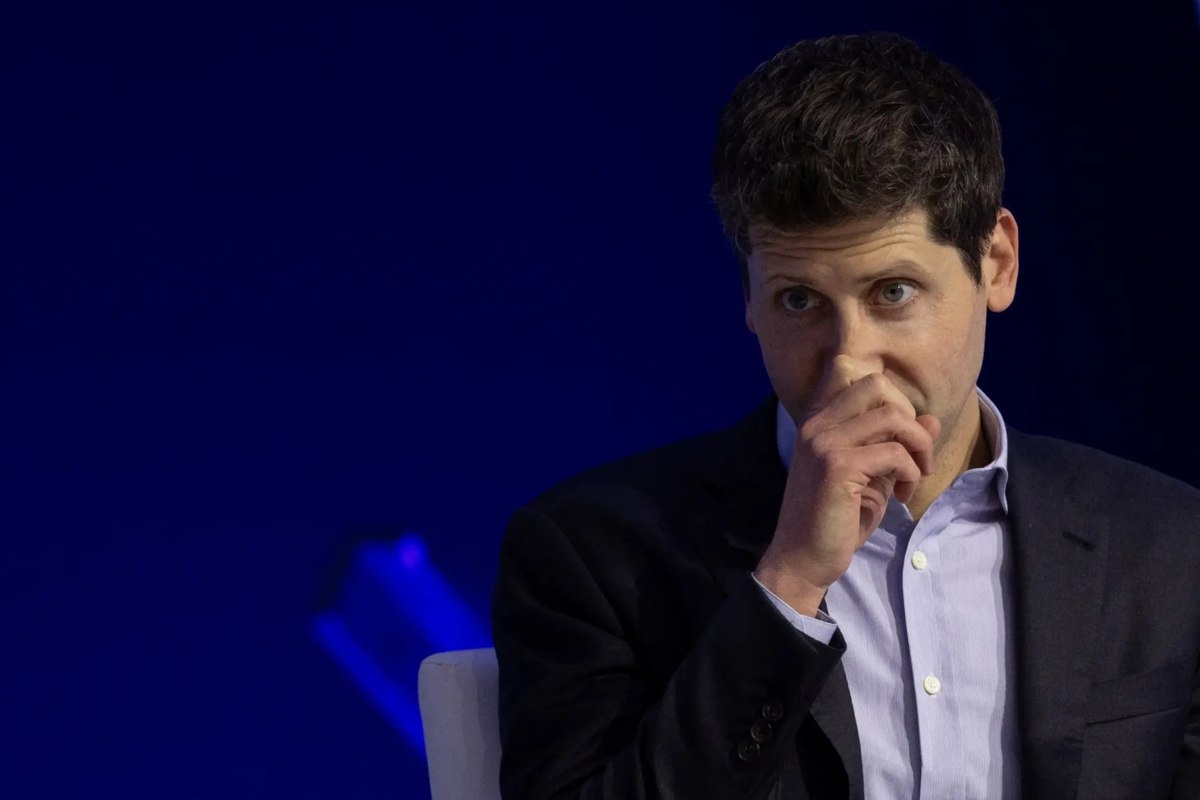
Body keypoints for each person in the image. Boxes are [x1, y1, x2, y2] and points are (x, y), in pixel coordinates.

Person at [491, 32, 1200, 800]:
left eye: (893, 292)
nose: (849, 364)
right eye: (799, 300)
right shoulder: (589, 555)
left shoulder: (1170, 546)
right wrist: (789, 582)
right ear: (749, 299)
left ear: (997, 264)